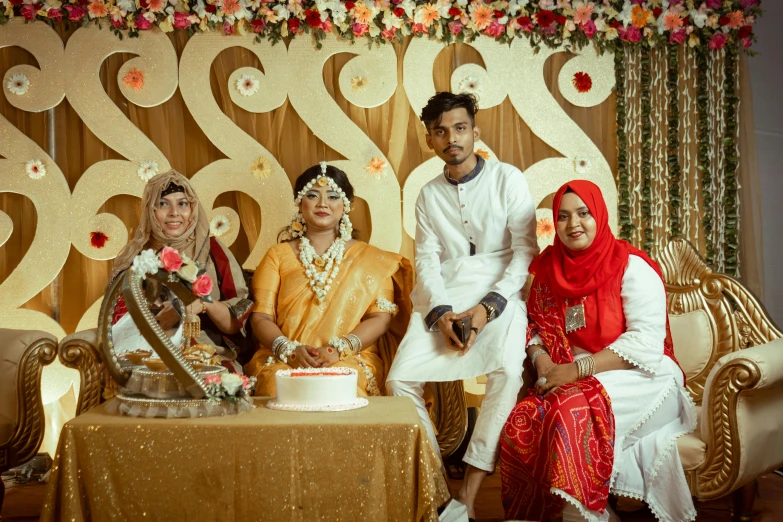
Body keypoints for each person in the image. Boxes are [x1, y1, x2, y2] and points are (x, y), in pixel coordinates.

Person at [500, 180, 697, 522]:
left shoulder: (631, 266)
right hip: (571, 377)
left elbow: (646, 342)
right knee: (526, 416)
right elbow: (532, 326)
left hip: (644, 378)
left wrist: (576, 371)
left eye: (583, 213)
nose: (573, 224)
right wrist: (542, 360)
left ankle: (583, 515)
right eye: (562, 216)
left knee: (569, 409)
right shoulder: (548, 270)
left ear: (600, 215)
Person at [385, 92, 539, 519]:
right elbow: (427, 261)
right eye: (440, 131)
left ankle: (469, 493)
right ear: (430, 140)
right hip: (446, 296)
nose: (451, 138)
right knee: (399, 382)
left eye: (459, 128)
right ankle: (438, 485)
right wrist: (442, 314)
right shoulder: (428, 195)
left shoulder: (508, 178)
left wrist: (488, 307)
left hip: (502, 293)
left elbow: (526, 250)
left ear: (475, 131)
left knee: (508, 372)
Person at [244, 163, 413, 397]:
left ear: (346, 206)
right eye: (312, 195)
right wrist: (289, 351)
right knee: (277, 387)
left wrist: (338, 349)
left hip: (351, 357)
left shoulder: (373, 259)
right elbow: (261, 316)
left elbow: (380, 318)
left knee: (343, 389)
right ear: (300, 203)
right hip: (285, 358)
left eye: (333, 196)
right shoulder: (277, 255)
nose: (322, 203)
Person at [108, 169, 252, 372]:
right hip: (146, 356)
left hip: (208, 356)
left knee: (219, 383)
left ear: (192, 209)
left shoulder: (214, 251)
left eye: (182, 203)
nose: (174, 212)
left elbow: (235, 323)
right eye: (163, 204)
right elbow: (117, 321)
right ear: (150, 210)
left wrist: (196, 305)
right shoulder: (135, 257)